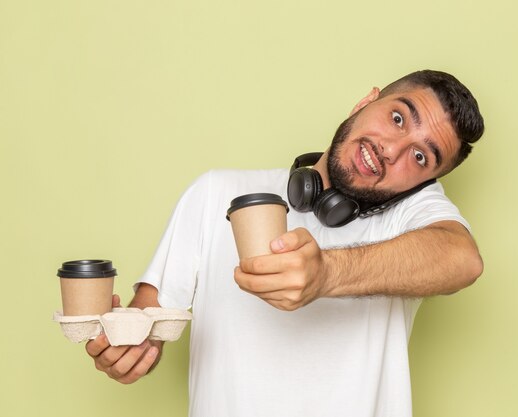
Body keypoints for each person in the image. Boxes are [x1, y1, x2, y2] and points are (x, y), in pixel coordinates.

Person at [86, 69, 485, 417]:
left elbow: (461, 259)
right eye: (397, 118)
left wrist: (328, 273)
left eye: (419, 157)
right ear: (366, 102)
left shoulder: (410, 214)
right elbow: (150, 320)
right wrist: (128, 350)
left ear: (425, 183)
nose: (392, 150)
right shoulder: (215, 192)